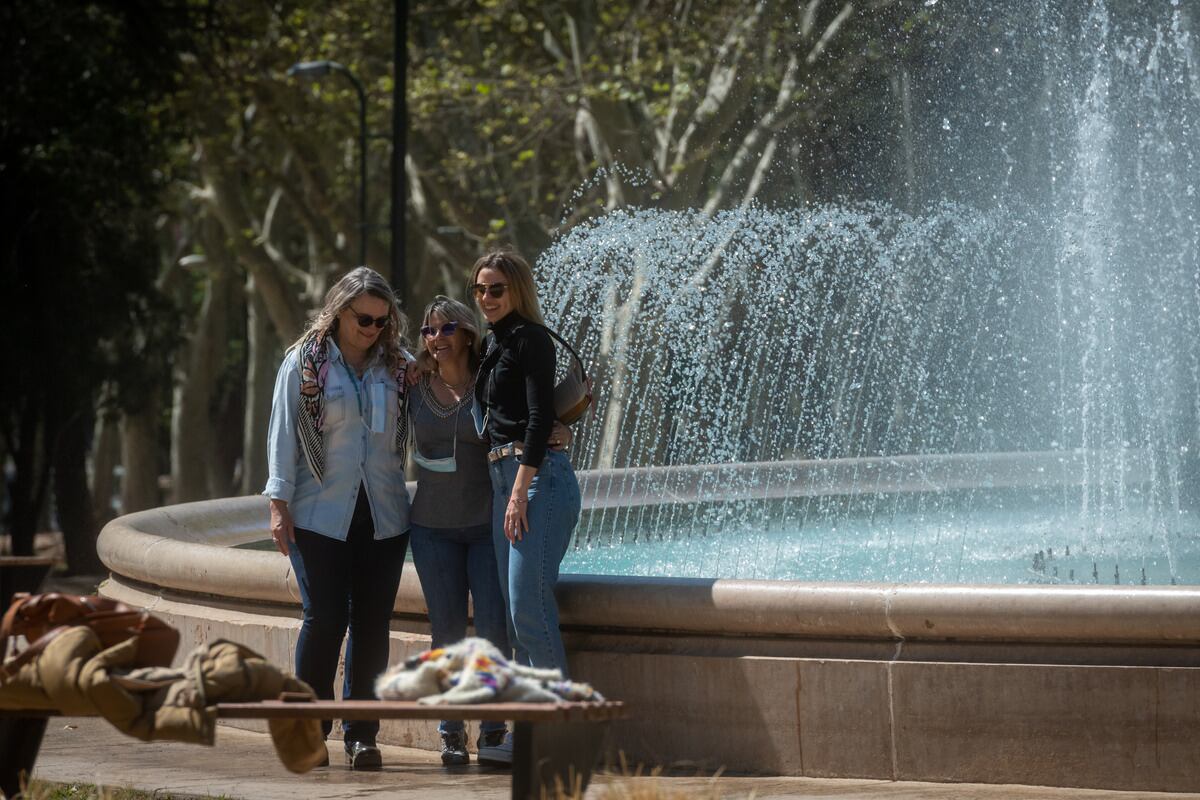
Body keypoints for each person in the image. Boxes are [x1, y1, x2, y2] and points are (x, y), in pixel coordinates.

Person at [407, 295, 572, 767]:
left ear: (466, 333)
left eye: (445, 329)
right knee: (447, 631)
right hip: (431, 528)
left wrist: (563, 431)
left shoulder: (489, 381)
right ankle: (451, 729)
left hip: (485, 523)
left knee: (498, 627)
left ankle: (496, 728)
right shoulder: (412, 385)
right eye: (427, 331)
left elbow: (530, 416)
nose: (436, 339)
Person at [264, 267, 411, 771]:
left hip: (383, 513)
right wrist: (277, 504)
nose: (372, 330)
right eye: (363, 319)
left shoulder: (397, 366)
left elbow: (444, 396)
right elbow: (283, 435)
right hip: (319, 513)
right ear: (338, 310)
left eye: (381, 322)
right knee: (324, 619)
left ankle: (362, 735)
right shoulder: (305, 362)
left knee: (372, 626)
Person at [471, 250, 583, 711]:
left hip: (536, 483)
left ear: (517, 289)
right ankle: (531, 728)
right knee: (518, 620)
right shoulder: (490, 345)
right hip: (505, 482)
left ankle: (562, 728)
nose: (487, 297)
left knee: (530, 612)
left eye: (497, 288)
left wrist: (519, 491)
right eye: (479, 289)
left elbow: (538, 420)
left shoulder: (532, 339)